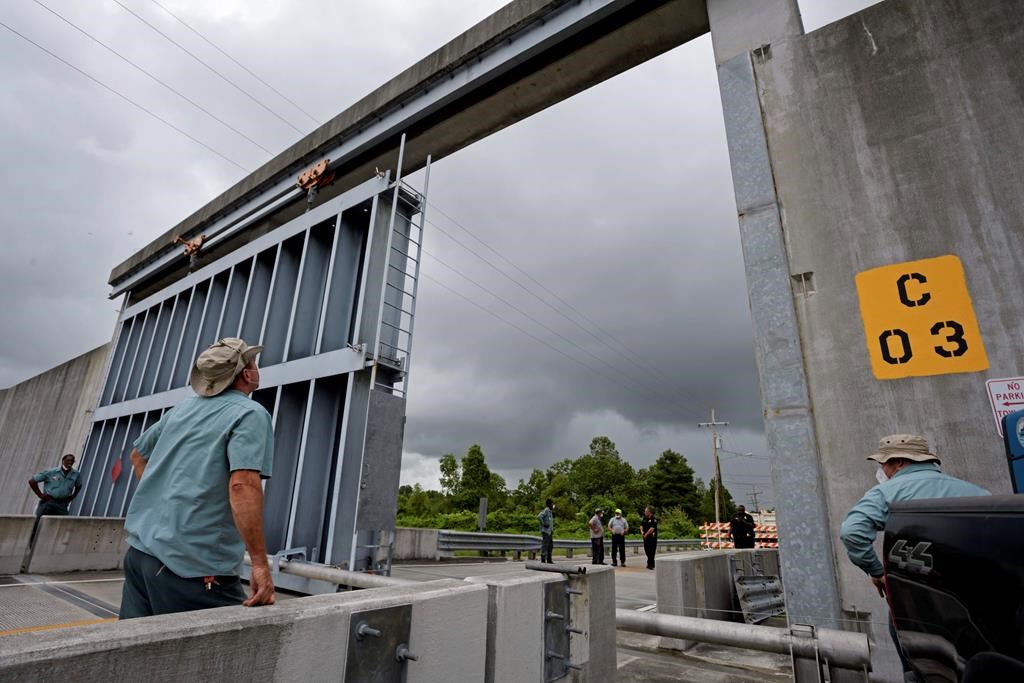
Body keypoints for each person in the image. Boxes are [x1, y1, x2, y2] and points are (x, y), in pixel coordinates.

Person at [119, 338, 276, 619]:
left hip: (140, 554)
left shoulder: (182, 409)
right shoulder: (251, 414)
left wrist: (166, 505)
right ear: (247, 374)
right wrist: (260, 564)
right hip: (193, 567)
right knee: (223, 653)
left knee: (136, 657)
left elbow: (137, 455)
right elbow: (242, 486)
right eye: (253, 362)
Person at [839, 434, 989, 680]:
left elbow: (852, 531)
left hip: (915, 601)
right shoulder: (978, 492)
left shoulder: (887, 492)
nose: (882, 470)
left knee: (920, 670)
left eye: (883, 463)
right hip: (974, 601)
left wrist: (877, 572)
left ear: (898, 462)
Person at [28, 454, 82, 518]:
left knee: (63, 523)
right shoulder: (51, 472)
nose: (70, 462)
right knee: (38, 521)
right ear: (63, 461)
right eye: (68, 460)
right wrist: (40, 495)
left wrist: (73, 496)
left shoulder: (76, 474)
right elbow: (32, 481)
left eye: (72, 461)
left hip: (62, 503)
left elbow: (79, 485)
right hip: (49, 501)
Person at [538, 498, 555, 563]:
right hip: (546, 531)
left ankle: (549, 559)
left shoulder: (550, 511)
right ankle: (543, 559)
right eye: (552, 503)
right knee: (545, 545)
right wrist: (544, 524)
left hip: (549, 532)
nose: (553, 505)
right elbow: (539, 516)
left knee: (550, 546)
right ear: (549, 504)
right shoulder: (546, 510)